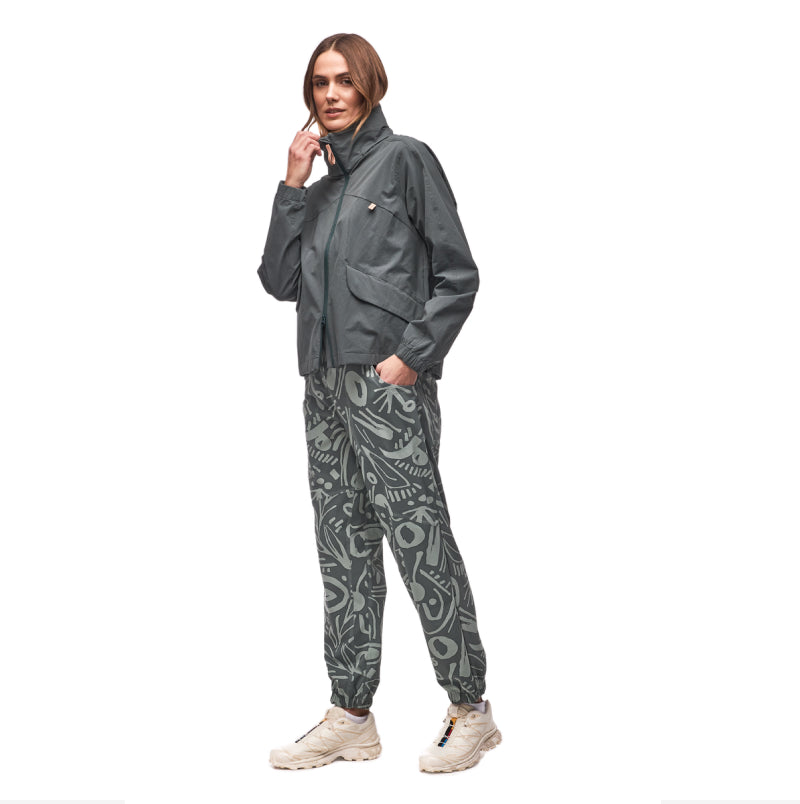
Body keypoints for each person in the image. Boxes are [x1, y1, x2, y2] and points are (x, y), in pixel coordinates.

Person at [257, 33, 500, 773]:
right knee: (344, 547)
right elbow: (278, 281)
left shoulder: (406, 160)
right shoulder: (319, 185)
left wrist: (409, 358)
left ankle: (471, 708)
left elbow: (458, 274)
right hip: (323, 384)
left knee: (420, 540)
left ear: (371, 85)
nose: (330, 94)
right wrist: (292, 184)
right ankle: (351, 714)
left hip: (387, 383)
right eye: (319, 82)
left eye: (344, 81)